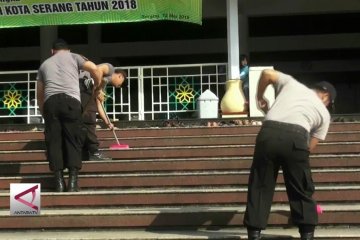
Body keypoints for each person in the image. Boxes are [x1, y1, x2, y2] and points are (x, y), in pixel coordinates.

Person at [243, 69, 336, 240]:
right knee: (300, 188)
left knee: (260, 184)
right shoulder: (324, 114)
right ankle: (306, 234)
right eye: (329, 102)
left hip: (268, 132)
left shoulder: (291, 84)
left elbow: (266, 74)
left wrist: (260, 97)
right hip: (297, 137)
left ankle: (254, 234)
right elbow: (309, 147)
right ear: (325, 97)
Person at [36, 38, 103, 192]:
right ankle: (73, 182)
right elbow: (96, 69)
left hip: (51, 103)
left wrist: (43, 111)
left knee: (54, 142)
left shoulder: (44, 64)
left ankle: (59, 182)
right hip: (71, 102)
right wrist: (97, 86)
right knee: (73, 140)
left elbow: (39, 93)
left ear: (52, 51)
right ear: (68, 50)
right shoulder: (75, 57)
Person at [79, 63, 127, 161]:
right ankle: (94, 152)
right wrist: (98, 88)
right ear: (120, 75)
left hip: (85, 93)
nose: (118, 86)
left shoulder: (103, 83)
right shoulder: (110, 68)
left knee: (84, 118)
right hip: (81, 85)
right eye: (120, 83)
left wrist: (107, 122)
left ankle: (83, 152)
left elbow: (99, 104)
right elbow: (98, 69)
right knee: (89, 117)